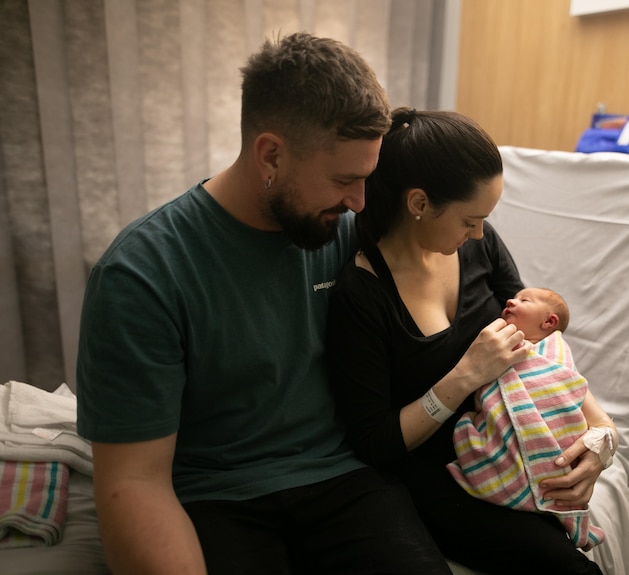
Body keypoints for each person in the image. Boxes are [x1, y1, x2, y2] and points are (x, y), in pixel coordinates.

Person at [76, 33, 452, 575]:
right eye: (345, 180)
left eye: (366, 179)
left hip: (344, 479)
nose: (359, 204)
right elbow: (134, 481)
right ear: (271, 154)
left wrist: (590, 423)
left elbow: (481, 275)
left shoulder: (352, 234)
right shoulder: (142, 274)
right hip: (215, 495)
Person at [326, 107, 613, 574]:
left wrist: (602, 435)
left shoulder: (479, 245)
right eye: (469, 220)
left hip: (514, 436)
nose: (479, 232)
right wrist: (463, 378)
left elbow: (539, 344)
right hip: (441, 473)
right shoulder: (361, 295)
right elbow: (374, 442)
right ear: (418, 203)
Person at [447, 287, 615, 551]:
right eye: (513, 298)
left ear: (548, 322)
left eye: (523, 300)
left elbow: (567, 389)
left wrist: (605, 436)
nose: (510, 300)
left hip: (555, 447)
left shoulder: (555, 356)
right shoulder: (500, 344)